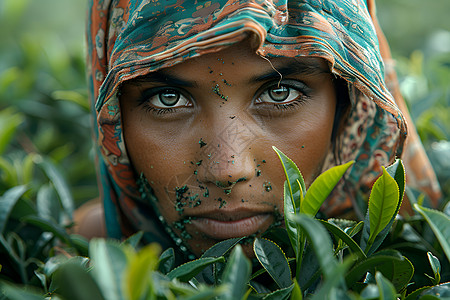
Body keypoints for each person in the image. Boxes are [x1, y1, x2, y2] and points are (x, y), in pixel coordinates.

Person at [78, 0, 441, 259]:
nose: (227, 170)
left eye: (279, 93)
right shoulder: (68, 262)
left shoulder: (425, 255)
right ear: (112, 112)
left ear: (349, 103)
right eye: (168, 99)